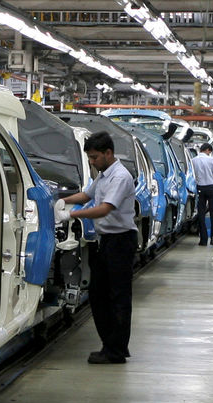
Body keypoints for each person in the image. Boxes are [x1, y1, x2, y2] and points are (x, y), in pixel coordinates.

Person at [54, 131, 137, 364]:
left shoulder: (120, 177)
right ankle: (111, 345)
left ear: (108, 153)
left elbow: (104, 209)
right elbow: (86, 195)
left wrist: (70, 215)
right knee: (99, 294)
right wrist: (62, 199)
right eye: (89, 158)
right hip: (107, 241)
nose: (91, 162)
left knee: (118, 297)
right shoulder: (103, 175)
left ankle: (116, 351)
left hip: (121, 241)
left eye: (94, 157)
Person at [192, 143, 213, 245]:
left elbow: (193, 176)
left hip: (200, 188)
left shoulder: (193, 160)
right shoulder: (211, 160)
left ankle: (203, 240)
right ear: (208, 150)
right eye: (210, 152)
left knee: (201, 214)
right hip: (211, 188)